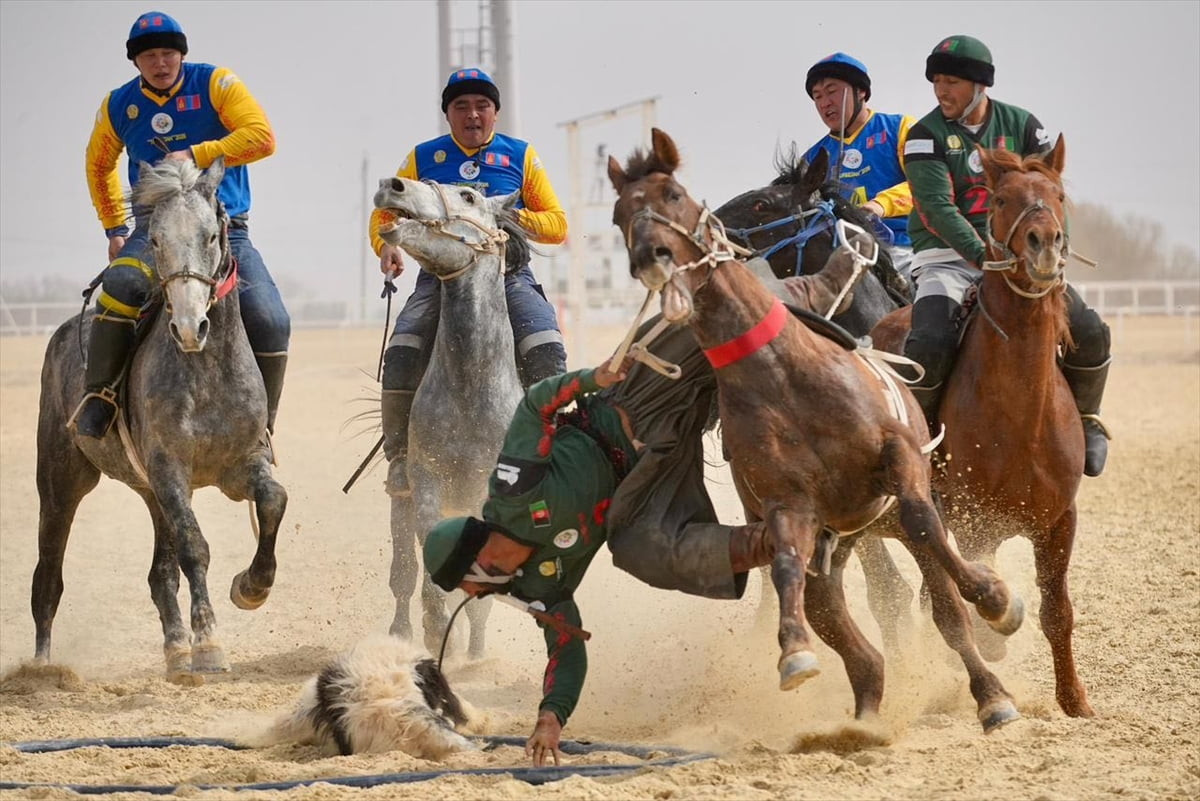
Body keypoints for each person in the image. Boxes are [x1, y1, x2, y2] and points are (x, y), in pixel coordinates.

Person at [418, 234, 875, 765]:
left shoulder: (511, 491)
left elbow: (535, 407)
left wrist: (596, 377)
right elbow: (565, 649)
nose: (474, 593)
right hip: (654, 473)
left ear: (476, 559)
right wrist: (551, 716)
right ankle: (777, 543)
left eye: (467, 582)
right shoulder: (541, 584)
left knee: (713, 313)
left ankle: (826, 278)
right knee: (637, 548)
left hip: (633, 401)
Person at [901, 34, 1112, 476]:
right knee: (931, 341)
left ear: (981, 85)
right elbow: (937, 207)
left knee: (1090, 329)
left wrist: (1054, 256)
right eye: (936, 81)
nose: (941, 91)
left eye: (952, 81)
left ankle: (1088, 422)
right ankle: (917, 448)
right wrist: (982, 255)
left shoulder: (1024, 125)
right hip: (949, 260)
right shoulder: (924, 136)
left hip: (1021, 262)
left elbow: (1049, 193)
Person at [76, 11, 290, 441]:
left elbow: (262, 137)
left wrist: (198, 152)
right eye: (150, 56)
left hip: (224, 228)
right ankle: (99, 397)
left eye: (169, 53)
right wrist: (115, 228)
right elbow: (98, 165)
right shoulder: (118, 104)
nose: (161, 63)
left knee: (271, 318)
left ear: (181, 54)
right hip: (153, 229)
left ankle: (261, 427)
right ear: (136, 62)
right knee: (119, 288)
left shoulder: (216, 84)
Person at [369, 68, 569, 497]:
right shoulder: (424, 158)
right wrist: (385, 246)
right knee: (402, 348)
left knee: (546, 344)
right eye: (461, 106)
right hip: (437, 279)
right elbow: (385, 215)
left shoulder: (521, 155)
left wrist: (502, 217)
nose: (472, 114)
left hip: (507, 276)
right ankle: (400, 458)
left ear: (495, 113)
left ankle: (550, 450)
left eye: (482, 106)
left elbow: (556, 225)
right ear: (448, 115)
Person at [803, 52, 917, 282]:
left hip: (903, 250)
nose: (825, 102)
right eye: (817, 96)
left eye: (832, 91)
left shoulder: (900, 128)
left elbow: (927, 184)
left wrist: (879, 205)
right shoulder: (812, 158)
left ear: (861, 92)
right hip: (841, 258)